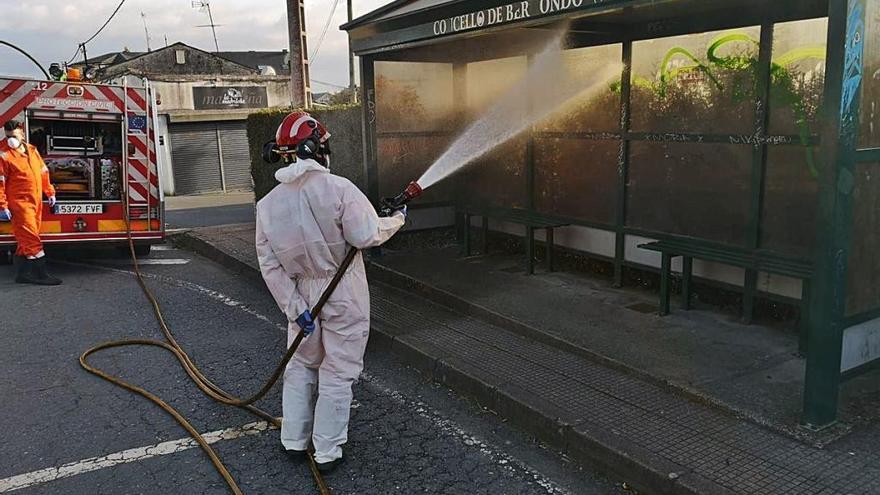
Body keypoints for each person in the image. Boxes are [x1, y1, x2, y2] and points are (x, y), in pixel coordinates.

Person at [255, 111, 406, 473]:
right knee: (338, 371)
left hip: (301, 295)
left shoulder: (267, 205)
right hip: (342, 291)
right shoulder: (339, 189)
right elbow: (365, 235)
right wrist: (398, 218)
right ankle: (327, 451)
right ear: (316, 149)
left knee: (301, 365)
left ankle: (293, 440)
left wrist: (295, 309)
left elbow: (269, 264)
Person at [0, 120, 61, 285]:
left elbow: (43, 172)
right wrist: (2, 205)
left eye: (13, 136)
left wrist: (49, 192)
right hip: (19, 204)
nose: (10, 140)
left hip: (35, 201)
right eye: (7, 137)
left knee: (25, 238)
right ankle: (41, 274)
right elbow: (0, 182)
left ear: (22, 135)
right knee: (32, 238)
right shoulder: (4, 155)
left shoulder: (32, 151)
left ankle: (22, 274)